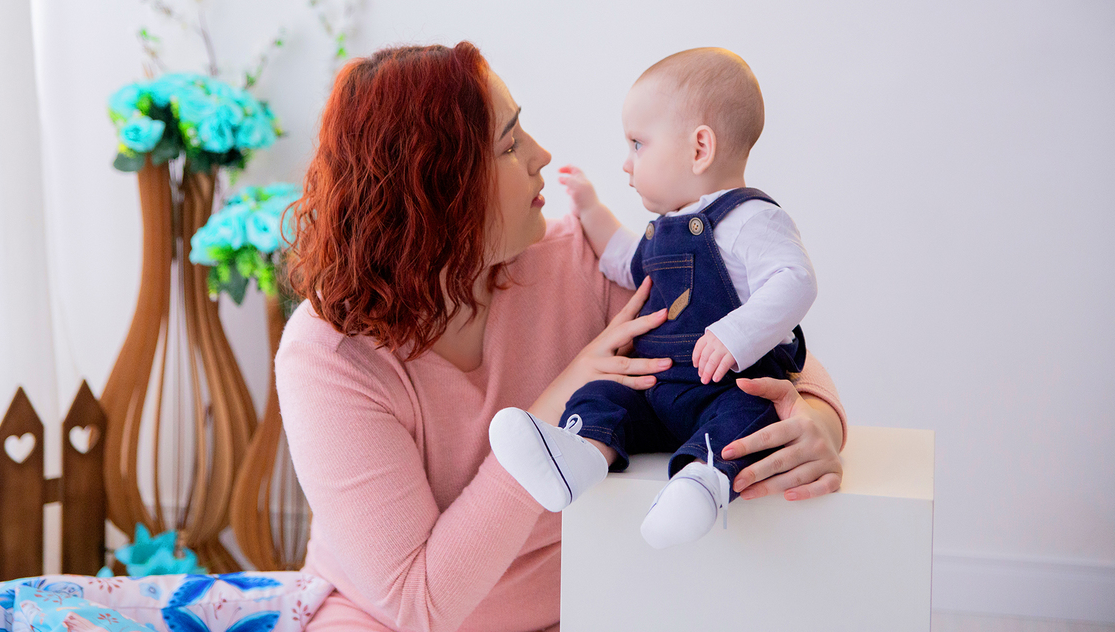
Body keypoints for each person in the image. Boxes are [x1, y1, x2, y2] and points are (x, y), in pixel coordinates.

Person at [277, 42, 847, 632]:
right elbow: (415, 602)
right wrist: (555, 407)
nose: (541, 155)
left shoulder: (575, 261)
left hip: (579, 611)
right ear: (438, 189)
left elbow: (753, 347)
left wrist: (816, 422)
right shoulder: (329, 355)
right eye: (510, 144)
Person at [489, 47, 816, 550]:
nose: (627, 163)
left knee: (747, 418)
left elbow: (795, 280)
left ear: (699, 148)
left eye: (638, 144)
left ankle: (701, 485)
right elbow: (623, 259)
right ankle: (580, 457)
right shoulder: (662, 229)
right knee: (603, 394)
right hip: (655, 388)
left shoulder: (752, 219)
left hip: (727, 387)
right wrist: (590, 209)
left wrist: (735, 334)